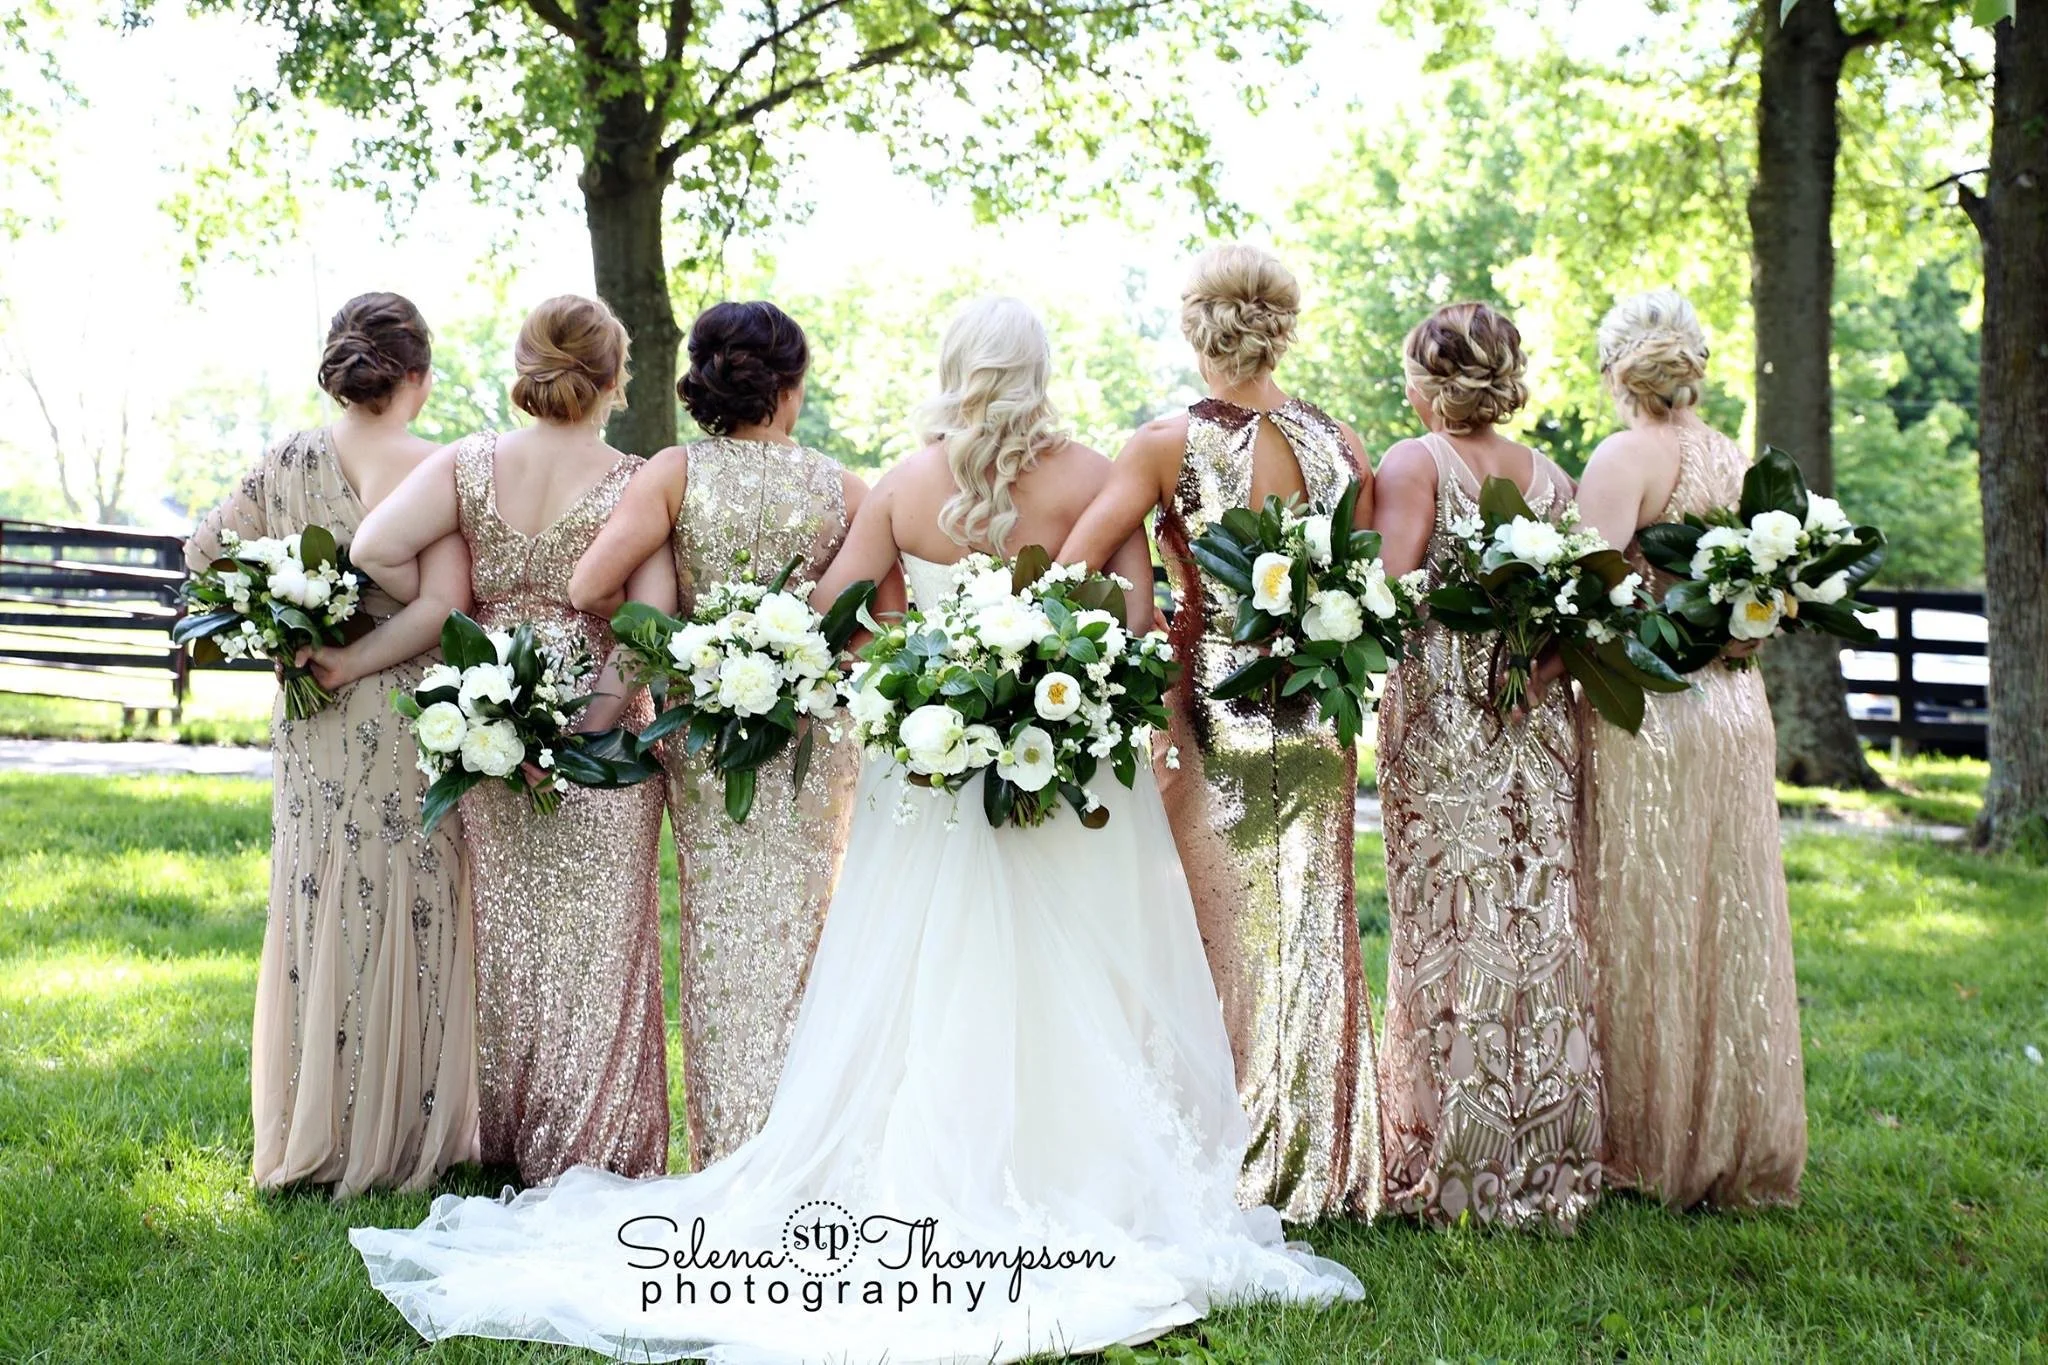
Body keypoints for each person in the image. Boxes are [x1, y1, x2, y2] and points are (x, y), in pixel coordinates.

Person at [350, 297, 1362, 1362]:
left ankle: (932, 1157)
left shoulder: (905, 484)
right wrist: (1048, 674)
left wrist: (884, 662)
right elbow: (1137, 619)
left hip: (927, 764)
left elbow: (845, 619)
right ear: (1039, 371)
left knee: (929, 968)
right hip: (1060, 758)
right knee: (1067, 970)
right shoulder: (1082, 477)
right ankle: (1064, 1166)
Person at [1057, 245, 1381, 1221]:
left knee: (1208, 937)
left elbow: (1075, 563)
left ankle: (1216, 1164)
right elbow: (1356, 583)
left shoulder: (1163, 443)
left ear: (1198, 326)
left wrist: (1143, 629)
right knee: (1306, 931)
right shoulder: (1341, 443)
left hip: (1211, 712)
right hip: (1319, 711)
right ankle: (1313, 1168)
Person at [352, 294, 674, 1186]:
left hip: (490, 731)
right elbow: (644, 631)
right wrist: (583, 737)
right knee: (599, 947)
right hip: (594, 747)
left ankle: (505, 1137)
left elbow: (377, 547)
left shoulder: (470, 462)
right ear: (614, 377)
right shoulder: (636, 477)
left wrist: (461, 612)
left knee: (505, 941)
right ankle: (595, 1147)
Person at [185, 291, 479, 1197]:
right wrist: (356, 661)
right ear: (417, 377)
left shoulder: (285, 460)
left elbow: (204, 551)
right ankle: (401, 1133)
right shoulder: (438, 465)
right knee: (409, 900)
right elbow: (443, 611)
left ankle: (315, 1125)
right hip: (399, 713)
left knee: (318, 898)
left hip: (311, 713)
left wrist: (287, 627)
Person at [569, 300, 874, 1167]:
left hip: (706, 735)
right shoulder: (840, 485)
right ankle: (807, 1150)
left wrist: (681, 641)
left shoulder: (673, 472)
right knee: (810, 931)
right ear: (790, 384)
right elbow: (870, 624)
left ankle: (731, 1153)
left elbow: (595, 587)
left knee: (722, 937)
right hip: (813, 742)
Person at [1369, 301, 1604, 1230]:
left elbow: (1385, 599)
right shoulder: (1552, 476)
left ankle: (1456, 1158)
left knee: (1450, 923)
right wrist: (1539, 666)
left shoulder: (1413, 463)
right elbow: (1586, 607)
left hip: (1446, 716)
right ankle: (1551, 1156)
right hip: (1539, 718)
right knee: (1539, 918)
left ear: (1429, 381)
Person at [1573, 288, 1807, 1208]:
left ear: (1616, 371)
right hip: (1739, 705)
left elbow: (1581, 599)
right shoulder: (1734, 457)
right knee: (1729, 912)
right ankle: (1733, 1137)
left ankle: (1645, 1142)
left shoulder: (1624, 456)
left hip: (1657, 707)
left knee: (1648, 913)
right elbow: (1771, 595)